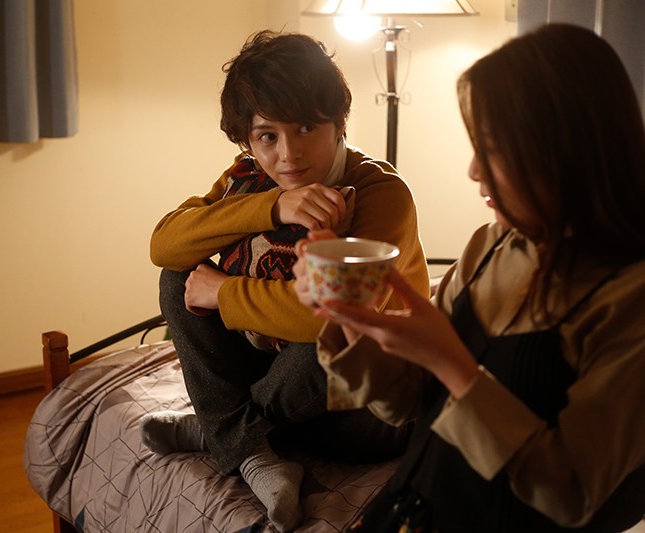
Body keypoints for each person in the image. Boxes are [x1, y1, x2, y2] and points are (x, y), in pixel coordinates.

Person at [292, 23, 645, 532]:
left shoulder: (629, 297)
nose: (474, 170)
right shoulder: (490, 246)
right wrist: (349, 312)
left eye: (494, 149)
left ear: (568, 151)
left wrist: (450, 361)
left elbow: (571, 494)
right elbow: (406, 405)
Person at [143, 30, 429, 532]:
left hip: (366, 407)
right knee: (177, 277)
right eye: (267, 136)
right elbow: (163, 246)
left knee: (327, 338)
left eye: (306, 128)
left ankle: (224, 432)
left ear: (338, 124)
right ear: (248, 140)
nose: (288, 154)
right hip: (286, 384)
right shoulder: (251, 178)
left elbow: (329, 321)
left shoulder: (380, 191)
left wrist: (223, 292)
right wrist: (273, 205)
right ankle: (244, 438)